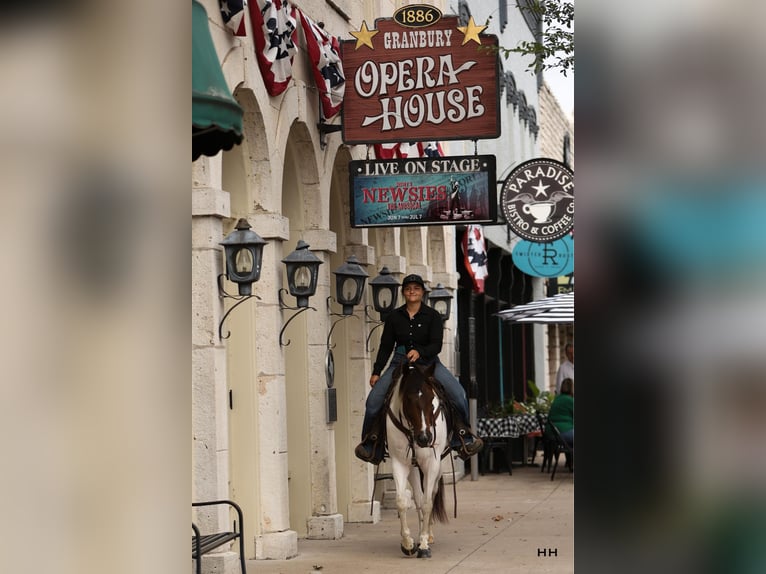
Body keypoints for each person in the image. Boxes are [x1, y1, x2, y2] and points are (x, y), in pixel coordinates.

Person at [354, 274, 484, 464]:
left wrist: (420, 352)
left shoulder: (433, 316)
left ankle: (463, 437)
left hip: (430, 363)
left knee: (459, 394)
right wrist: (376, 371)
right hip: (399, 363)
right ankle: (371, 444)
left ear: (422, 292)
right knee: (373, 401)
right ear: (403, 293)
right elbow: (385, 346)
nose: (412, 291)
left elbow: (436, 344)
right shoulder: (394, 317)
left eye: (416, 288)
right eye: (408, 288)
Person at [548, 377, 574, 447]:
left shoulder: (557, 399)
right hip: (562, 432)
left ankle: (570, 457)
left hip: (551, 432)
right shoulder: (570, 400)